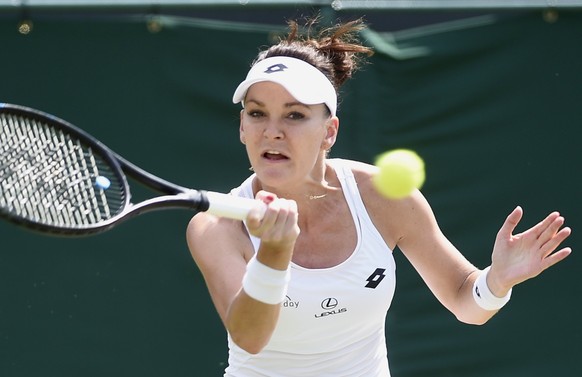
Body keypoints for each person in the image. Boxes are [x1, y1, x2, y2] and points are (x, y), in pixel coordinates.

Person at [186, 18, 572, 377]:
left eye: (294, 115)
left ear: (329, 132)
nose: (271, 131)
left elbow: (464, 299)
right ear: (242, 126)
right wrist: (274, 250)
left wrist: (497, 281)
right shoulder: (215, 227)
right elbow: (249, 338)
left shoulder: (384, 197)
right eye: (257, 114)